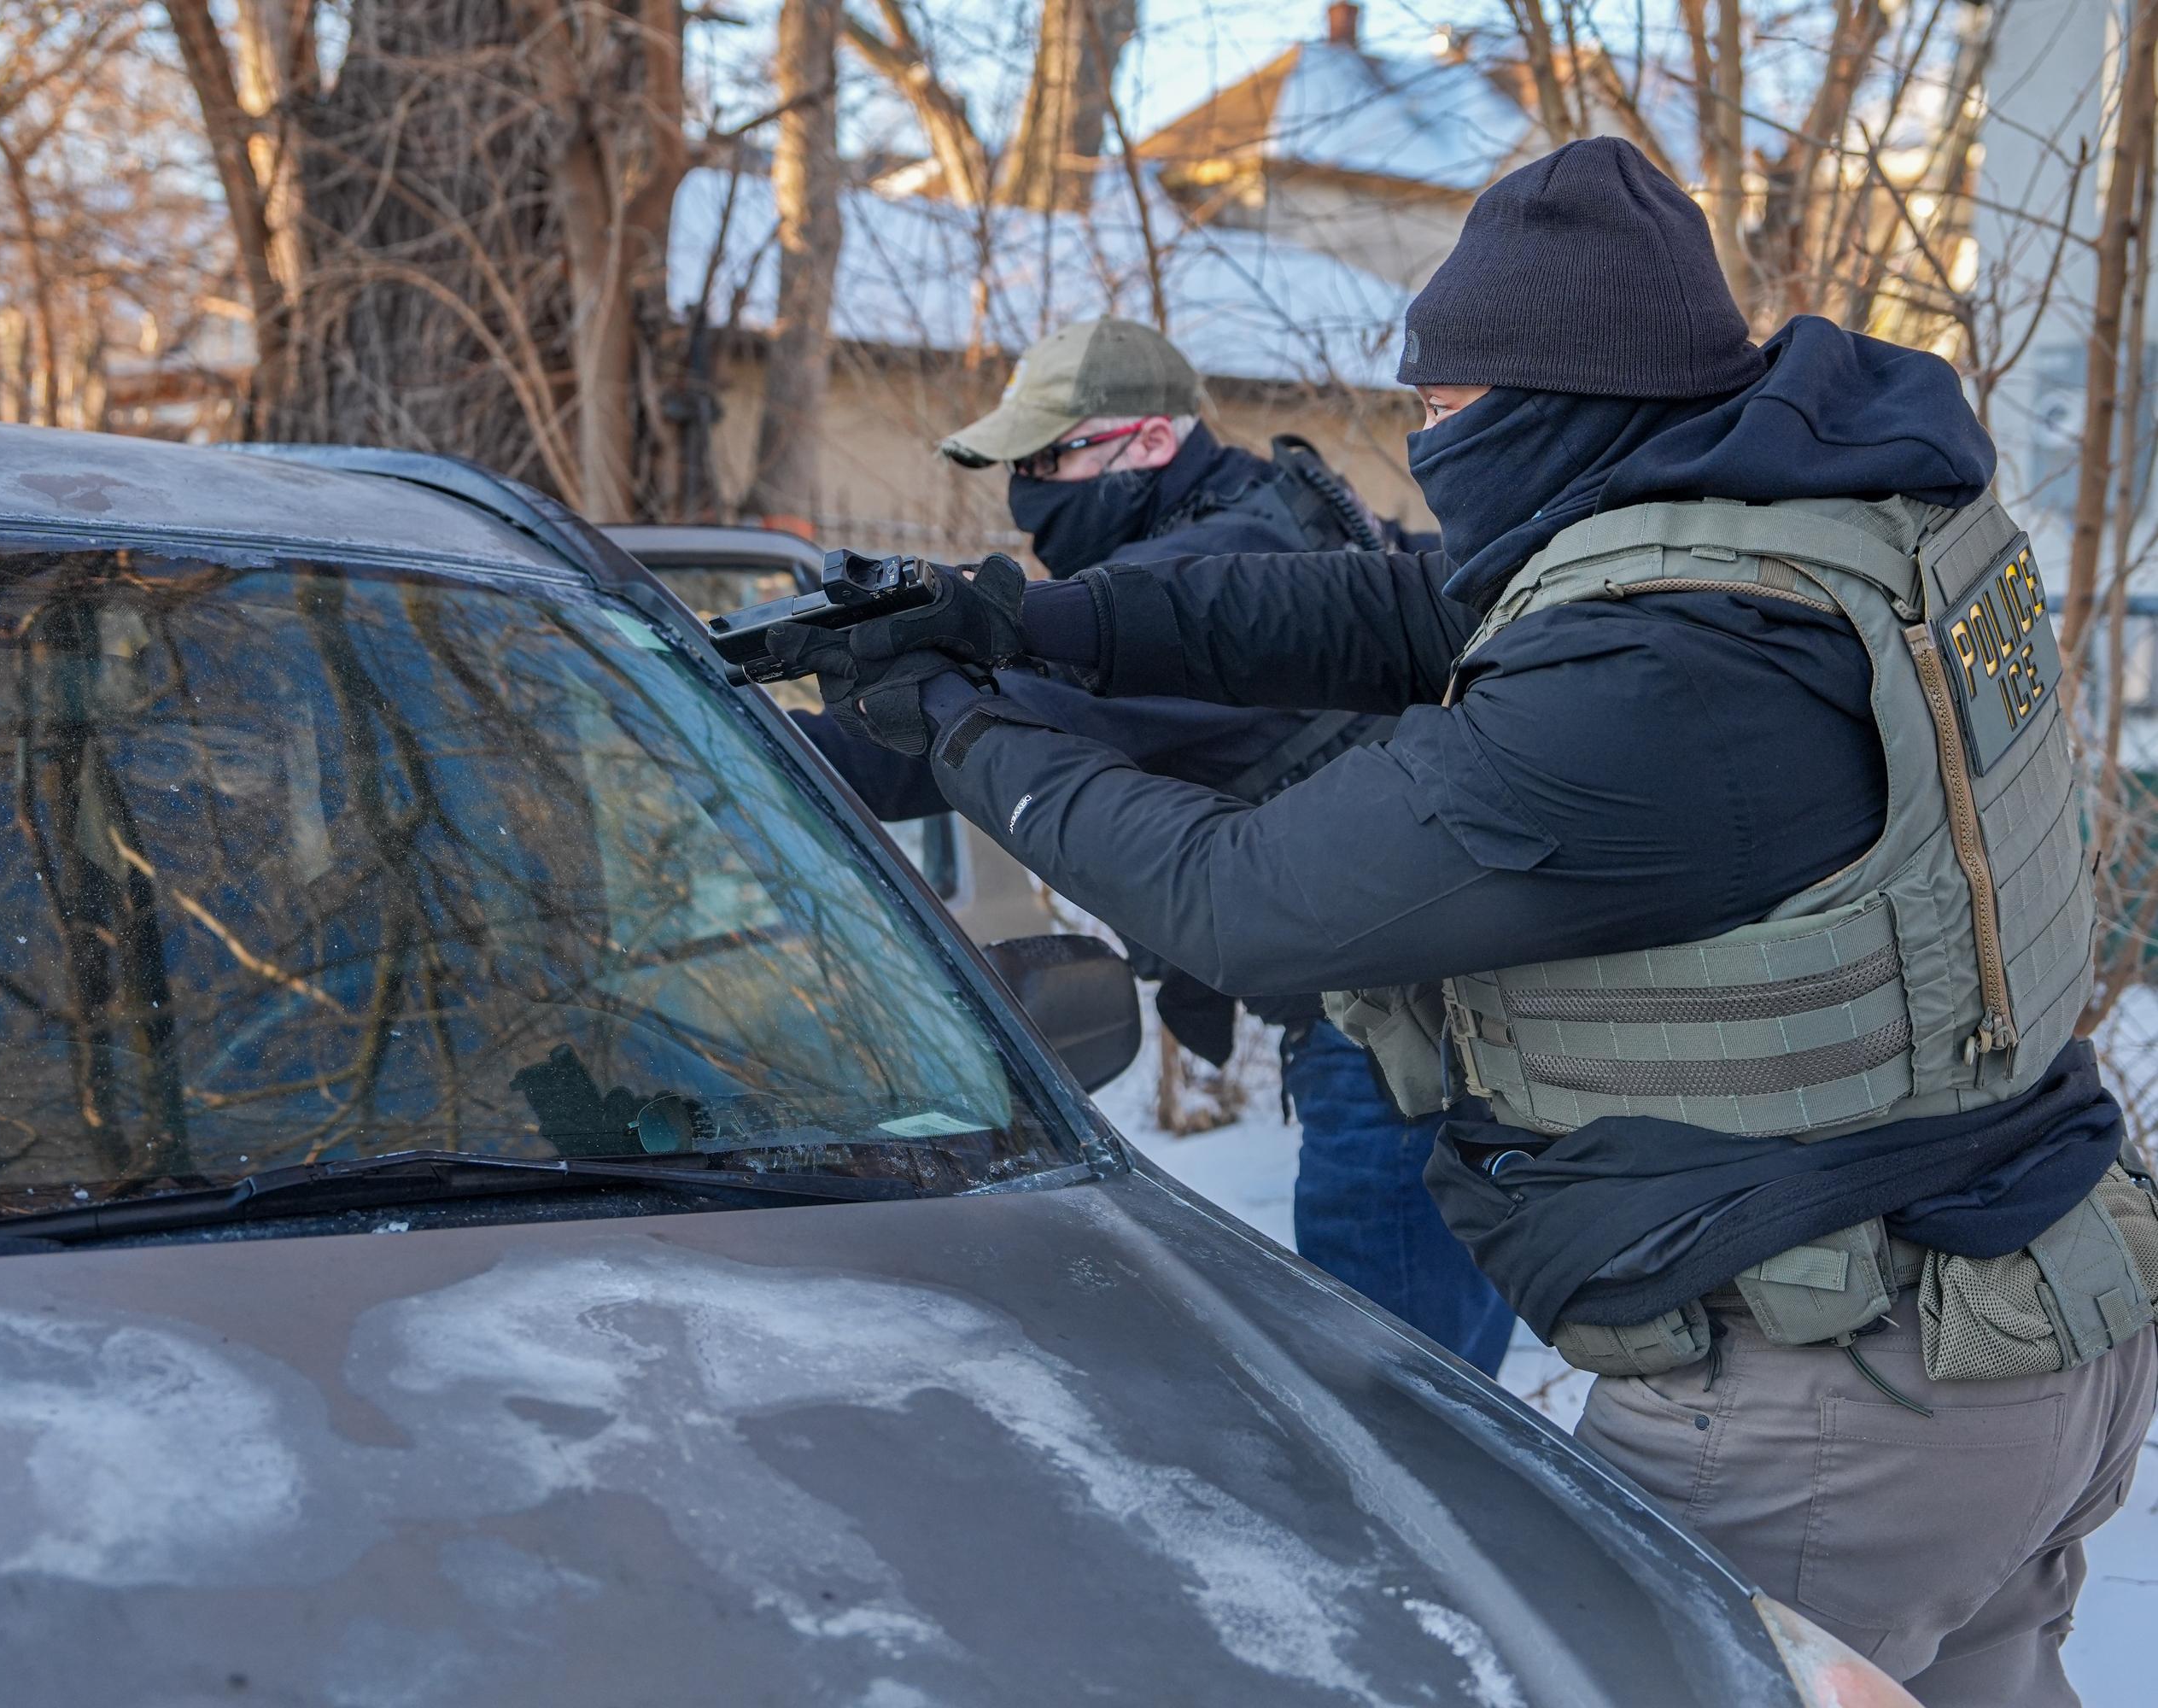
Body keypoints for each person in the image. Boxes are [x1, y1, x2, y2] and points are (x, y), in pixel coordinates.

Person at [771, 137, 2158, 1706]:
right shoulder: (1814, 517)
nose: (1423, 443)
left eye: (1439, 408)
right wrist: (1034, 620)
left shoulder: (1666, 680)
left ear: (1554, 402)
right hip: (2016, 1324)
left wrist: (960, 728)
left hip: (1834, 1397)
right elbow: (1403, 605)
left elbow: (1247, 903)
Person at [796, 317, 1517, 1374]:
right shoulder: (1273, 516)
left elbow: (942, 742)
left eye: (1049, 458)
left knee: (1394, 1398)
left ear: (1144, 443)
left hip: (1400, 1044)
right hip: (1434, 1017)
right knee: (1437, 1383)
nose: (1028, 490)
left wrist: (701, 727)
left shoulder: (1219, 564)